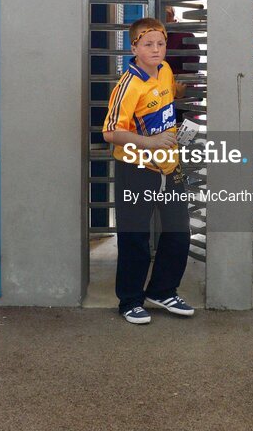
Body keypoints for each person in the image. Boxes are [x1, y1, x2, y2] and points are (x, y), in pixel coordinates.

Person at [102, 17, 195, 324]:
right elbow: (111, 132)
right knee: (135, 234)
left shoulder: (165, 70)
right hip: (136, 167)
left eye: (161, 43)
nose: (156, 50)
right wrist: (150, 142)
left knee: (180, 229)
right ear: (134, 47)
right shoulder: (128, 85)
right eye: (148, 44)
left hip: (171, 165)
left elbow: (165, 102)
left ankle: (163, 290)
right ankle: (129, 299)